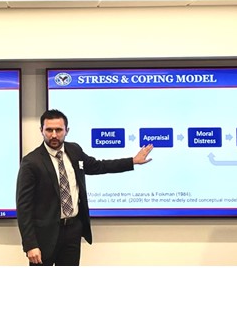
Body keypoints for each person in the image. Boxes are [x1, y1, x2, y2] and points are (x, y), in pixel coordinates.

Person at [16, 109, 154, 266]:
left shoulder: (74, 151)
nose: (54, 135)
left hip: (72, 232)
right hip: (44, 236)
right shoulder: (31, 162)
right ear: (41, 130)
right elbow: (24, 207)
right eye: (49, 130)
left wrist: (132, 161)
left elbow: (98, 166)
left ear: (67, 131)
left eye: (59, 130)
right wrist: (30, 245)